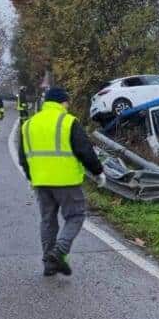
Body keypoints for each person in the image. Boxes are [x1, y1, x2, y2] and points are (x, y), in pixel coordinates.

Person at [17, 87, 105, 277]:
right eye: (67, 102)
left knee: (48, 220)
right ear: (62, 102)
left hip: (41, 181)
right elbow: (85, 150)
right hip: (66, 180)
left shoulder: (29, 124)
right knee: (76, 216)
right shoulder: (68, 122)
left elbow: (23, 158)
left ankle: (49, 264)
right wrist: (98, 172)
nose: (68, 105)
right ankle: (59, 251)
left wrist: (32, 177)